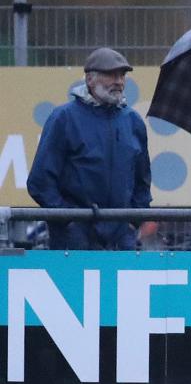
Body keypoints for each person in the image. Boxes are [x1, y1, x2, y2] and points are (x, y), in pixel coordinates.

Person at [27, 47, 152, 250]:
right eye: (111, 75)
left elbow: (142, 181)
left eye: (122, 75)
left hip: (121, 241)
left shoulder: (133, 121)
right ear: (89, 79)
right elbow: (40, 182)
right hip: (74, 242)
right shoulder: (64, 118)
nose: (119, 81)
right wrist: (69, 221)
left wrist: (131, 223)